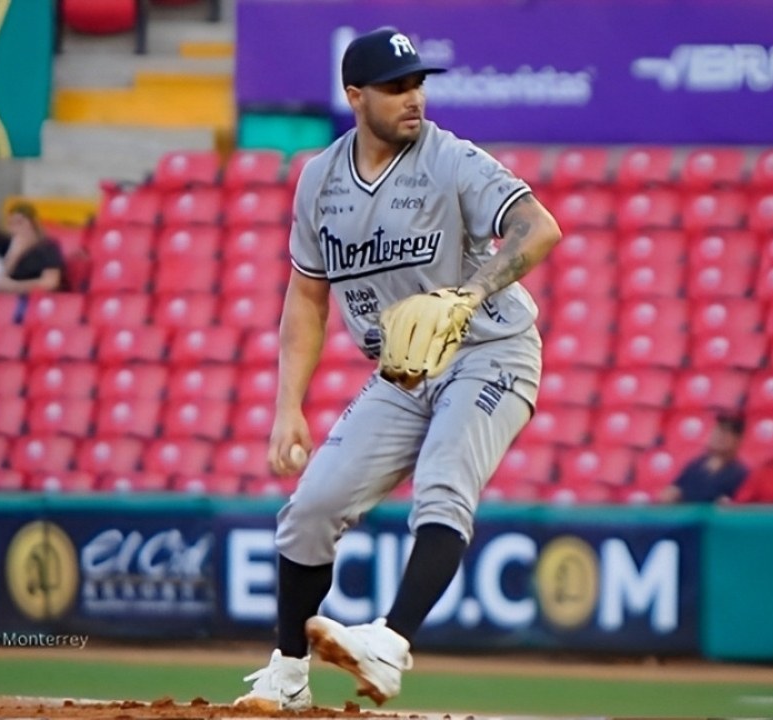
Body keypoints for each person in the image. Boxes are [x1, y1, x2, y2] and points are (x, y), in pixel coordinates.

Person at [232, 26, 561, 711]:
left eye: (417, 83)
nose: (413, 97)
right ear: (355, 96)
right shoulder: (320, 178)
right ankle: (289, 672)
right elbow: (306, 297)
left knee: (443, 485)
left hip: (489, 351)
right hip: (401, 373)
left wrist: (469, 293)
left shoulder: (451, 158)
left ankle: (388, 643)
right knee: (310, 509)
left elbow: (540, 227)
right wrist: (287, 405)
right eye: (395, 86)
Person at [658, 415, 749, 504]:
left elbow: (740, 504)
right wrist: (671, 494)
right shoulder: (695, 465)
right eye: (719, 431)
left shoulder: (740, 473)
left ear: (738, 441)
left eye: (728, 433)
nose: (721, 436)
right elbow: (674, 489)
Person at [0, 202, 65, 295]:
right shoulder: (9, 247)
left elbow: (50, 283)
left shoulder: (47, 247)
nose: (15, 228)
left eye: (20, 222)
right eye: (11, 224)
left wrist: (14, 286)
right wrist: (14, 253)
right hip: (12, 301)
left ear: (33, 224)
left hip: (38, 300)